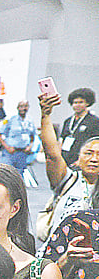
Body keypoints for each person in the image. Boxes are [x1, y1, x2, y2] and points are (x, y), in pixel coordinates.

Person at [37, 91, 99, 244]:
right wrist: (45, 115)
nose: (94, 159)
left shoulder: (94, 121)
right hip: (58, 251)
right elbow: (52, 154)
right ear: (80, 157)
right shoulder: (68, 181)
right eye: (89, 153)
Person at [0, 100, 36, 178]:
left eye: (25, 106)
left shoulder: (30, 121)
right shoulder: (11, 119)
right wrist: (6, 147)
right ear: (18, 108)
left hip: (22, 152)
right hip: (10, 152)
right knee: (5, 174)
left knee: (19, 176)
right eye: (21, 106)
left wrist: (30, 146)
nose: (23, 108)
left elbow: (32, 135)